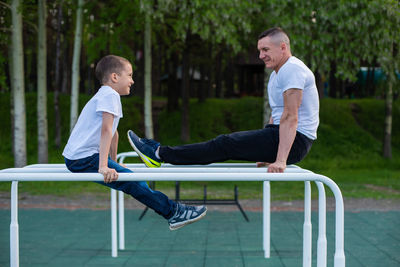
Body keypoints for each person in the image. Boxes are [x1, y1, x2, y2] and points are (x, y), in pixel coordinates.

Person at [128, 27, 319, 173]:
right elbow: (277, 116)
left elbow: (290, 117)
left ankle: (158, 154)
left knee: (224, 144)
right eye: (259, 50)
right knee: (224, 144)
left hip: (296, 142)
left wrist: (281, 159)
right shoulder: (278, 74)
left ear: (283, 47)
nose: (261, 56)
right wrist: (267, 154)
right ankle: (159, 151)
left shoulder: (292, 69)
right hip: (280, 137)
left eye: (265, 50)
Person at [62, 55, 207, 230]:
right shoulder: (110, 95)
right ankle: (173, 212)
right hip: (83, 157)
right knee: (134, 182)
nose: (132, 81)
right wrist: (103, 166)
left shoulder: (106, 95)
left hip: (82, 156)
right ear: (115, 77)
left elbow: (114, 133)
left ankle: (173, 212)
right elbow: (106, 131)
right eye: (129, 75)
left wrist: (112, 163)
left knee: (132, 181)